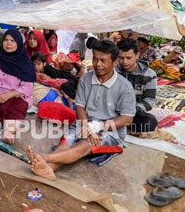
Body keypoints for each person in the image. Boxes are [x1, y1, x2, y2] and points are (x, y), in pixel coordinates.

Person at [27, 40, 136, 180]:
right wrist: (85, 126)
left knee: (84, 145)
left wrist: (97, 126)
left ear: (114, 62)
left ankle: (42, 157)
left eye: (103, 60)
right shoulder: (86, 79)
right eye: (95, 59)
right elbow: (79, 106)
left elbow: (127, 119)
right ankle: (49, 169)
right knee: (66, 143)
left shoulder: (124, 87)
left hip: (111, 131)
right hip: (83, 122)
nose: (98, 64)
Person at [116, 38, 158, 134]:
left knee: (150, 122)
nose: (124, 62)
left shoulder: (150, 74)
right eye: (121, 58)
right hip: (113, 111)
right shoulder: (112, 72)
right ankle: (118, 125)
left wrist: (134, 109)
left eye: (128, 58)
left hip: (134, 112)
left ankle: (116, 125)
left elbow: (149, 100)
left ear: (137, 55)